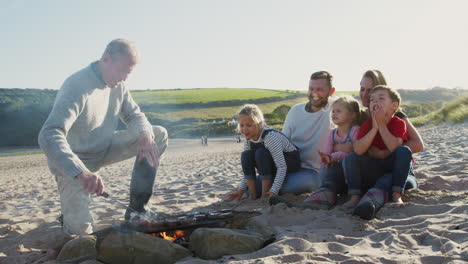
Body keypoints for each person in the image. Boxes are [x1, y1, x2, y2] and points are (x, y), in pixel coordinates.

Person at [38, 39, 168, 235]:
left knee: (157, 135)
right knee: (80, 235)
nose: (124, 78)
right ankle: (68, 217)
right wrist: (80, 172)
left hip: (105, 147)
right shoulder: (76, 86)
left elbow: (134, 115)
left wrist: (145, 134)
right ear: (106, 59)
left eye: (129, 73)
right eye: (122, 71)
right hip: (75, 165)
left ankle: (137, 209)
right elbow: (48, 134)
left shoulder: (118, 85)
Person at [270, 95, 361, 209]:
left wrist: (332, 156)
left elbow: (352, 154)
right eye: (333, 111)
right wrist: (325, 158)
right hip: (337, 175)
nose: (334, 114)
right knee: (324, 167)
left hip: (350, 174)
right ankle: (324, 196)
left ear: (352, 115)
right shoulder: (332, 133)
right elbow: (328, 152)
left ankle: (352, 197)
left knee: (349, 160)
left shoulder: (355, 131)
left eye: (339, 111)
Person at [343, 86, 411, 217]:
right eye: (372, 100)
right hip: (373, 166)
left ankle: (396, 194)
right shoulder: (367, 125)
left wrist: (381, 125)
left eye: (381, 99)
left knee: (404, 151)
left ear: (394, 106)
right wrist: (374, 128)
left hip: (392, 167)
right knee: (351, 158)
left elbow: (394, 147)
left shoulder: (398, 123)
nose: (375, 102)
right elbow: (358, 150)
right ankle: (354, 197)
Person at [278, 71, 336, 194]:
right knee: (259, 182)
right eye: (311, 89)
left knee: (282, 187)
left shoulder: (335, 108)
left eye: (320, 89)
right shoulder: (295, 110)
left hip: (314, 172)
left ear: (331, 92)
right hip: (291, 166)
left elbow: (354, 108)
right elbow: (282, 142)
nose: (314, 93)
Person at [226, 104, 301, 200]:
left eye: (249, 125)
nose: (244, 129)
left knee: (260, 153)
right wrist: (241, 190)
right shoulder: (249, 140)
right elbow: (247, 167)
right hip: (269, 164)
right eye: (241, 125)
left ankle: (264, 194)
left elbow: (282, 166)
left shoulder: (270, 137)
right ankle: (252, 195)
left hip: (289, 162)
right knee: (246, 155)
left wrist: (274, 190)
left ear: (259, 123)